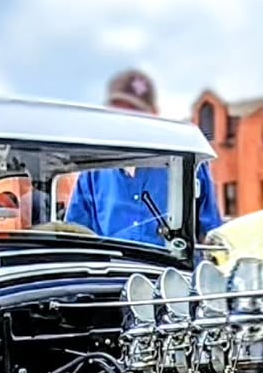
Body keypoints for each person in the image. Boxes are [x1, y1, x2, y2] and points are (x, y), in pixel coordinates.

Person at [63, 69, 222, 247]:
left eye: (135, 112)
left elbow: (211, 237)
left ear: (154, 114)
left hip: (170, 272)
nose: (125, 119)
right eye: (119, 111)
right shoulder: (92, 172)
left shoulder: (190, 163)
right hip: (110, 272)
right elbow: (76, 235)